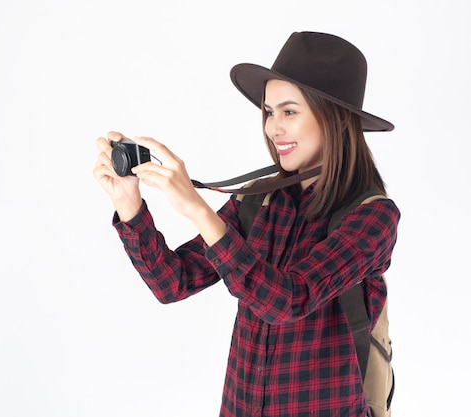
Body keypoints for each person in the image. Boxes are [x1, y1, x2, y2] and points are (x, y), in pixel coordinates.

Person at [93, 31, 399, 417]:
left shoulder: (372, 216)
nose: (273, 128)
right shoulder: (258, 198)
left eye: (289, 112)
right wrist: (129, 206)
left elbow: (291, 299)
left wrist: (197, 208)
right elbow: (173, 282)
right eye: (270, 112)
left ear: (337, 120)